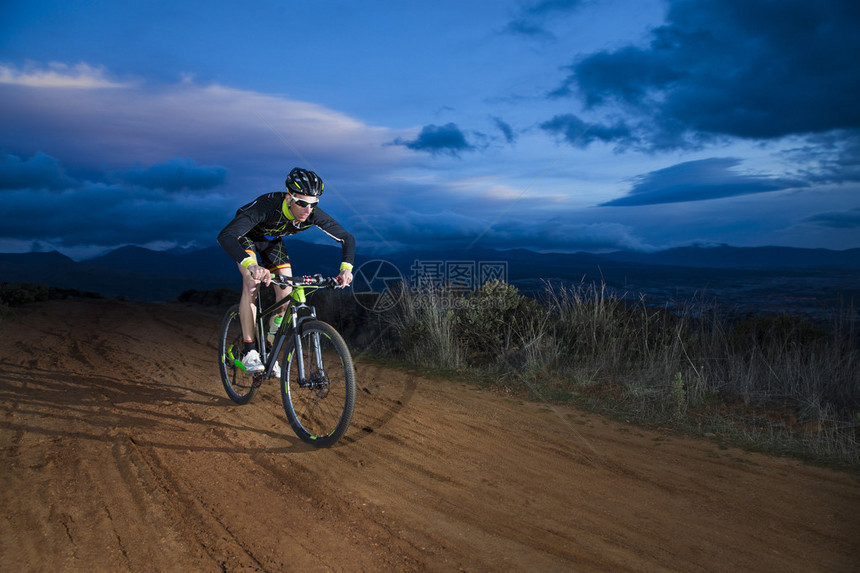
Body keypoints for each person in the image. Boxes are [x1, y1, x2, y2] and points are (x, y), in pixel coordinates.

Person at [217, 167, 355, 373]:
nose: (308, 210)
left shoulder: (311, 214)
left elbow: (347, 238)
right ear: (289, 197)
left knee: (286, 293)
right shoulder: (267, 206)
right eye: (302, 203)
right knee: (252, 282)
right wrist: (251, 265)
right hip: (245, 239)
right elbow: (226, 236)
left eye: (313, 204)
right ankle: (249, 351)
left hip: (272, 243)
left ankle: (268, 350)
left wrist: (346, 269)